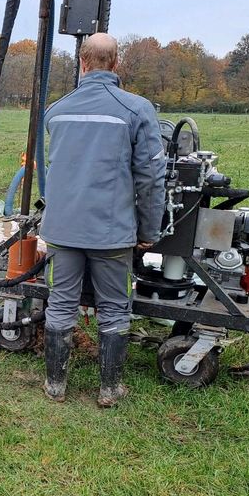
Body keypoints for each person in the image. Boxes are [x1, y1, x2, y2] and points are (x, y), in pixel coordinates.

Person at [39, 33, 166, 407]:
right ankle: (109, 389)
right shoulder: (137, 109)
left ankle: (55, 385)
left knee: (60, 303)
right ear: (117, 63)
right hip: (111, 235)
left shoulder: (56, 111)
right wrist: (148, 230)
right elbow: (152, 176)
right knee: (114, 307)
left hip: (61, 231)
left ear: (82, 61)